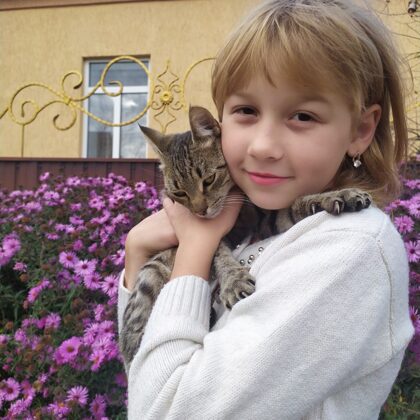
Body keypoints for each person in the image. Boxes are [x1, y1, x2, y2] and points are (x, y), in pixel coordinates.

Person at [118, 0, 414, 418]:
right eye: (246, 111)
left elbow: (162, 409)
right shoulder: (259, 214)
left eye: (303, 116)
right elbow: (145, 369)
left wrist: (195, 249)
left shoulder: (352, 250)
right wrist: (137, 260)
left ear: (361, 130)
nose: (263, 147)